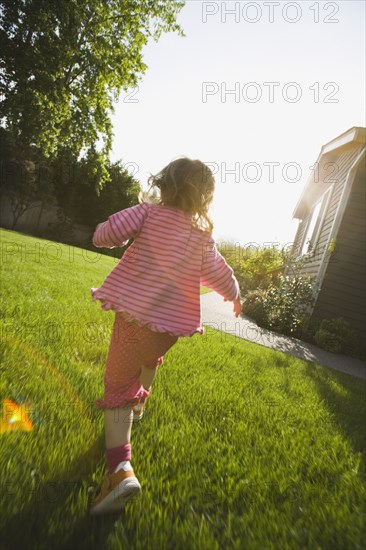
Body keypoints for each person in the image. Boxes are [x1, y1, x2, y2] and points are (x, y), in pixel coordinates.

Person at [89, 157, 241, 514]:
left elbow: (105, 235)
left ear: (164, 184)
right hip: (169, 329)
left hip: (134, 319)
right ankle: (141, 402)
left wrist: (104, 229)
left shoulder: (146, 213)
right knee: (148, 358)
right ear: (205, 198)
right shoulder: (202, 237)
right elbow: (221, 275)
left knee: (117, 390)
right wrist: (234, 296)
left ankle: (120, 470)